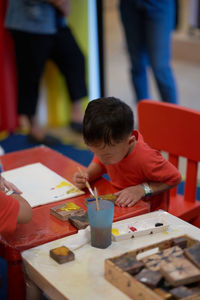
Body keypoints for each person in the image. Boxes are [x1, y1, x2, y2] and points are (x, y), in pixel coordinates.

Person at [73, 97, 181, 211]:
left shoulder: (145, 158)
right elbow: (100, 163)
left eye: (106, 156)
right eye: (94, 152)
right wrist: (88, 175)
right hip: (122, 203)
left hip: (150, 212)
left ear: (129, 142)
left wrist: (141, 190)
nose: (101, 159)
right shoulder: (109, 149)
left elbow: (174, 178)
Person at [5, 0, 87, 144]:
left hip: (54, 21)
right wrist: (60, 2)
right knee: (30, 75)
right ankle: (33, 128)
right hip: (28, 22)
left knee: (75, 59)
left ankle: (77, 115)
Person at [119, 0, 178, 104]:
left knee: (160, 67)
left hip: (160, 4)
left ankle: (173, 117)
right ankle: (144, 114)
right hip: (129, 5)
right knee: (137, 64)